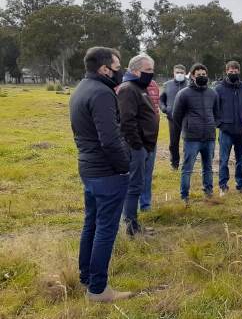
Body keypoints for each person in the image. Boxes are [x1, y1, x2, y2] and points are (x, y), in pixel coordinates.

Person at [69, 46, 133, 302]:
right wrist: (124, 166)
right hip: (107, 172)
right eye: (118, 68)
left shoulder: (81, 89)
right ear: (105, 69)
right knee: (105, 229)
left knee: (92, 224)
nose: (121, 73)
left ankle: (86, 276)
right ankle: (97, 289)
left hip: (89, 169)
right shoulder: (103, 94)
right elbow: (110, 139)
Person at [116, 54, 159, 236]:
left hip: (145, 146)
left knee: (138, 184)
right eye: (148, 70)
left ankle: (132, 223)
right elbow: (127, 122)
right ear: (135, 70)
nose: (151, 74)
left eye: (152, 70)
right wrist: (138, 147)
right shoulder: (128, 89)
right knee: (134, 186)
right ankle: (130, 226)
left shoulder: (140, 87)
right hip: (137, 147)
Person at [172, 63, 220, 204]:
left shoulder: (212, 93)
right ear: (192, 76)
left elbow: (217, 113)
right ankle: (184, 195)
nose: (201, 77)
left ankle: (208, 192)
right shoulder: (184, 94)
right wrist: (187, 128)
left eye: (204, 75)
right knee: (187, 168)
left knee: (208, 167)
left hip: (209, 137)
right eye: (198, 75)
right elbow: (176, 116)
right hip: (192, 138)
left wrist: (212, 124)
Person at [215, 60, 242, 196]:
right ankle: (223, 185)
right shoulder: (219, 89)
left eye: (235, 71)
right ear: (227, 72)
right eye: (230, 71)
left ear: (239, 71)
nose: (233, 73)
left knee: (241, 160)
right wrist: (220, 124)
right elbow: (214, 109)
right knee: (224, 160)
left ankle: (241, 185)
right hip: (226, 131)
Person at [160, 65, 188, 170]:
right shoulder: (167, 85)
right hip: (172, 119)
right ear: (173, 73)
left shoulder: (190, 84)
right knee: (173, 143)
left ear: (185, 73)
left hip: (187, 118)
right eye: (177, 72)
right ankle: (174, 164)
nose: (179, 74)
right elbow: (161, 99)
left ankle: (187, 164)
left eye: (181, 72)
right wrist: (164, 108)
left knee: (187, 142)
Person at [139, 76, 160, 211]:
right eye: (146, 70)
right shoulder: (126, 86)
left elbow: (156, 110)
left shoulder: (154, 85)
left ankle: (145, 204)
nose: (149, 73)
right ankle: (130, 206)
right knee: (134, 173)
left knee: (148, 172)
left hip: (152, 136)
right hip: (135, 137)